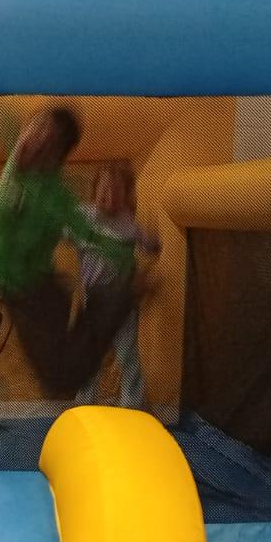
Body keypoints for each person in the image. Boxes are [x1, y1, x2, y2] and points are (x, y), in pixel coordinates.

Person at [0, 106, 138, 397]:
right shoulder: (20, 156)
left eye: (47, 139)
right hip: (32, 286)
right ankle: (103, 305)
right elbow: (1, 121)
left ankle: (114, 302)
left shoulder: (54, 196)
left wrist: (123, 257)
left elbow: (88, 232)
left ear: (55, 154)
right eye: (35, 129)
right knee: (61, 376)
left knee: (61, 382)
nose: (34, 140)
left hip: (31, 290)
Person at [75, 161, 160, 407]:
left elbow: (149, 245)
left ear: (126, 196)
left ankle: (132, 406)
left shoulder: (128, 223)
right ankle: (85, 405)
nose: (109, 197)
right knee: (90, 355)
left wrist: (155, 245)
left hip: (123, 300)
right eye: (104, 190)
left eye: (117, 191)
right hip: (95, 298)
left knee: (128, 354)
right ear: (94, 191)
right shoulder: (84, 216)